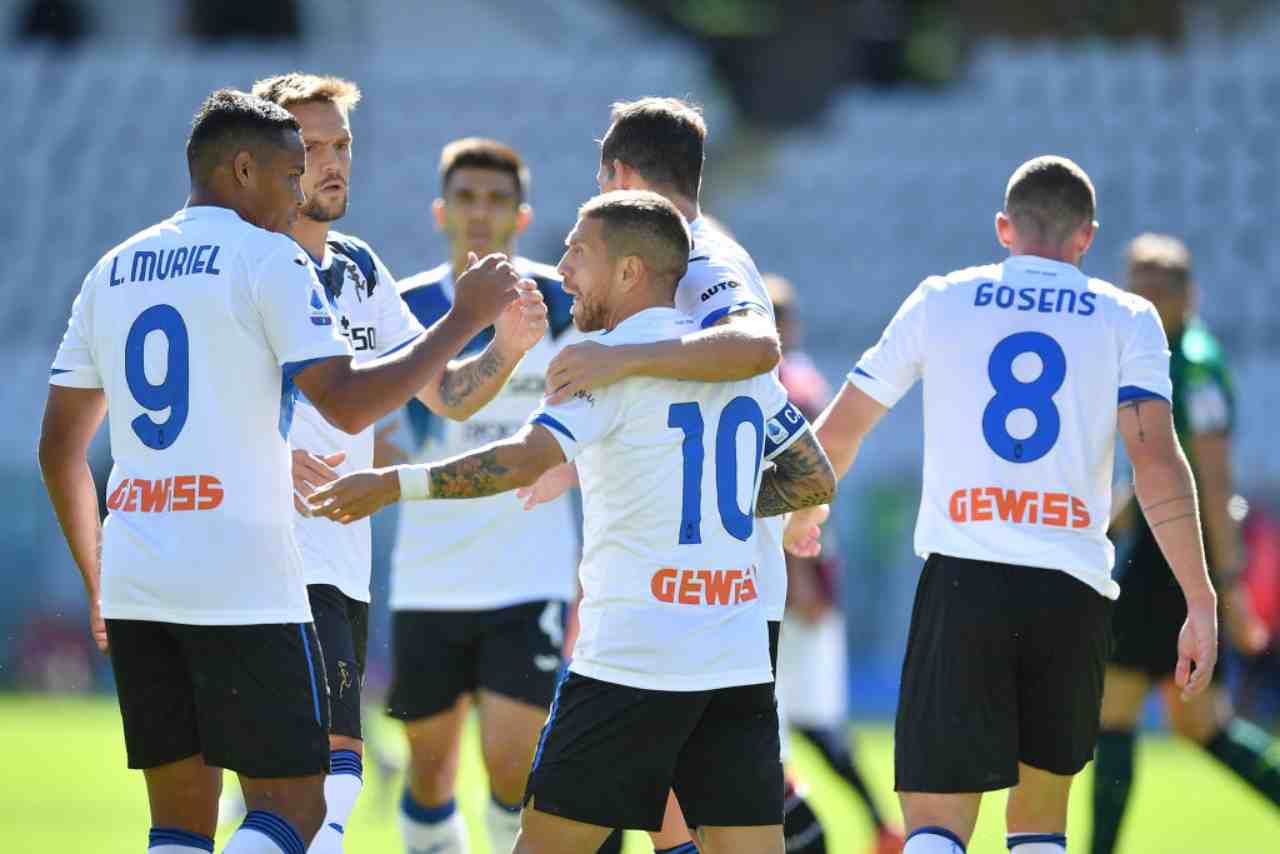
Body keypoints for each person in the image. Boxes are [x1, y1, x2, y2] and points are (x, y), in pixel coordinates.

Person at [38, 89, 521, 854]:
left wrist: (97, 576)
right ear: (241, 168)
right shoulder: (270, 258)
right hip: (246, 567)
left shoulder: (114, 268)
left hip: (137, 568)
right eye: (292, 172)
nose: (301, 190)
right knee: (302, 807)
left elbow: (60, 447)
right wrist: (462, 318)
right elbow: (351, 402)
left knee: (178, 824)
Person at [308, 190, 837, 854]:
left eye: (577, 253)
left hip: (630, 663)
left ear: (628, 272)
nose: (560, 269)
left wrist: (391, 484)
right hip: (734, 663)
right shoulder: (736, 364)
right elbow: (814, 478)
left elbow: (520, 460)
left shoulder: (603, 364)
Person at [784, 156, 1219, 854]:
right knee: (1040, 824)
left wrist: (802, 514)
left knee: (935, 822)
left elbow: (840, 427)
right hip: (1072, 588)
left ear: (1003, 228)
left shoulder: (942, 298)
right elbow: (1159, 464)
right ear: (1086, 238)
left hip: (965, 579)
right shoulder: (1128, 318)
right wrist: (1201, 598)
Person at [250, 76, 550, 853]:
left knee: (318, 792)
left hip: (343, 563)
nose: (331, 162)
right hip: (264, 559)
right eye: (310, 146)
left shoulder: (357, 266)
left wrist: (505, 348)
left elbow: (446, 394)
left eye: (341, 144)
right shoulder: (243, 261)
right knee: (319, 791)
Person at [515, 98, 786, 854]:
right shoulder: (682, 262)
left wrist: (617, 358)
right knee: (676, 816)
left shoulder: (704, 260)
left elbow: (756, 348)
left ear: (621, 174)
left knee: (585, 817)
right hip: (700, 586)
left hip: (705, 592)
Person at [383, 137, 577, 854]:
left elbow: (597, 419)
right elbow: (391, 430)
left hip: (529, 574)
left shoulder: (563, 304)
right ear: (441, 210)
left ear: (522, 216)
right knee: (431, 773)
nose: (479, 213)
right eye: (465, 197)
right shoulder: (405, 306)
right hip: (428, 576)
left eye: (497, 200)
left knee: (511, 766)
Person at [1090, 234, 1279, 854]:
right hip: (1159, 549)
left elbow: (1215, 477)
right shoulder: (1162, 357)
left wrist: (1229, 586)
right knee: (1192, 723)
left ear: (1187, 295)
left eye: (1159, 285)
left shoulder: (1191, 364)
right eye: (1136, 283)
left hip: (1169, 562)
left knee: (1123, 712)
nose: (1145, 295)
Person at [765, 274, 904, 854]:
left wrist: (800, 578)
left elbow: (801, 484)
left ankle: (832, 826)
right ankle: (877, 824)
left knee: (786, 721)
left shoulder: (784, 384)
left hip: (789, 569)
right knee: (802, 721)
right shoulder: (803, 378)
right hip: (804, 564)